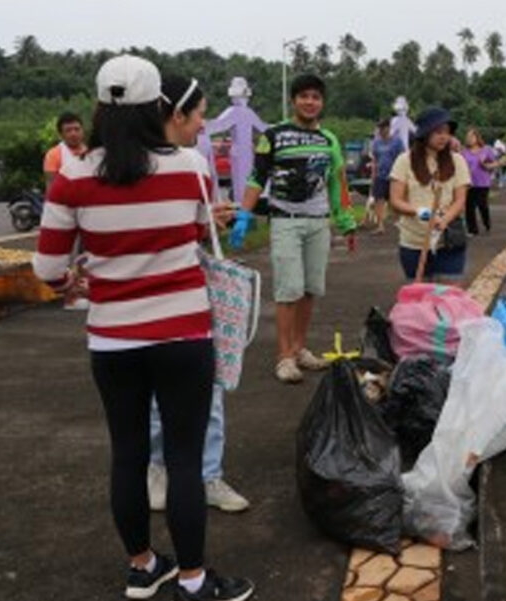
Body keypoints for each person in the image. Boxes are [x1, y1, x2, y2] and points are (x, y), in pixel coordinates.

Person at [32, 55, 253, 601]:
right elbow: (199, 233)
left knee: (127, 453)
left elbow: (47, 270)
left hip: (112, 341)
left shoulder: (72, 177)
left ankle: (142, 566)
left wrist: (74, 286)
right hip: (183, 337)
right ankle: (196, 582)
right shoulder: (188, 167)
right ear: (158, 107)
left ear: (101, 107)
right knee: (183, 459)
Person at [143, 74, 249, 517]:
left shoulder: (195, 164)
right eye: (201, 114)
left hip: (192, 297)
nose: (204, 125)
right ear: (177, 114)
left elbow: (196, 228)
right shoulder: (130, 165)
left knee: (210, 390)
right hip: (148, 299)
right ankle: (157, 467)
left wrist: (214, 218)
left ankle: (208, 474)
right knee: (154, 396)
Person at [230, 74, 357, 384]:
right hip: (285, 221)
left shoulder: (329, 140)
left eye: (316, 97)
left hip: (318, 223)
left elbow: (337, 183)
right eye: (304, 96)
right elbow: (256, 177)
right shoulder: (273, 135)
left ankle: (299, 349)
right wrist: (244, 215)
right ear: (293, 100)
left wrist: (347, 223)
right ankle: (284, 357)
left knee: (310, 289)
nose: (310, 102)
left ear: (322, 102)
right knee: (288, 290)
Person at [389, 107, 470, 282]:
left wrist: (445, 219)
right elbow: (395, 200)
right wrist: (423, 213)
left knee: (448, 299)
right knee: (419, 301)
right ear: (424, 133)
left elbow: (460, 199)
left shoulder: (458, 161)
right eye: (438, 132)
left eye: (447, 132)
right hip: (413, 243)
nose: (444, 137)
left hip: (449, 242)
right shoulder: (404, 161)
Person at [43, 112, 90, 310]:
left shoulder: (90, 152)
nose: (73, 134)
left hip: (89, 211)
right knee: (64, 257)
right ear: (61, 134)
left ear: (83, 130)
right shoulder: (55, 154)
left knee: (87, 256)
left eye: (76, 129)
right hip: (65, 213)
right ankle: (70, 298)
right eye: (68, 130)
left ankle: (86, 292)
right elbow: (52, 187)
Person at [369, 118, 404, 234]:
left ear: (389, 128)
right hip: (380, 175)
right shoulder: (376, 142)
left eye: (383, 128)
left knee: (394, 202)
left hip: (393, 175)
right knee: (379, 200)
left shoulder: (397, 142)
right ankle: (380, 226)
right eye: (380, 128)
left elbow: (402, 158)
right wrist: (373, 175)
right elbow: (375, 159)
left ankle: (400, 223)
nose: (381, 130)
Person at [459, 127, 496, 236]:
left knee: (482, 205)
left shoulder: (486, 149)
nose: (469, 139)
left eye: (471, 137)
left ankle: (487, 223)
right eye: (467, 137)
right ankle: (472, 230)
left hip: (483, 183)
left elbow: (494, 164)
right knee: (469, 206)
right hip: (469, 183)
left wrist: (485, 165)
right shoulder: (464, 152)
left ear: (477, 137)